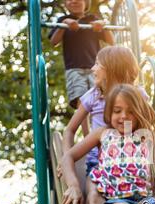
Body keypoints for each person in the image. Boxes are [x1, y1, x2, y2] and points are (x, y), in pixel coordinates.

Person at [59, 46, 146, 204]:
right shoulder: (93, 96)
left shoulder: (138, 94)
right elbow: (70, 130)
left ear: (112, 68)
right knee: (94, 199)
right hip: (99, 164)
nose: (92, 68)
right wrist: (69, 172)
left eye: (98, 63)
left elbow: (149, 128)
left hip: (131, 165)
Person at [49, 0, 114, 135]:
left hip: (95, 68)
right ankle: (87, 136)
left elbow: (111, 41)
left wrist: (103, 26)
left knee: (99, 98)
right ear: (65, 3)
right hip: (74, 68)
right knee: (82, 100)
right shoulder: (62, 20)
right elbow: (53, 41)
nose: (74, 1)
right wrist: (65, 24)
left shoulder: (93, 19)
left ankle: (102, 132)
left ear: (86, 3)